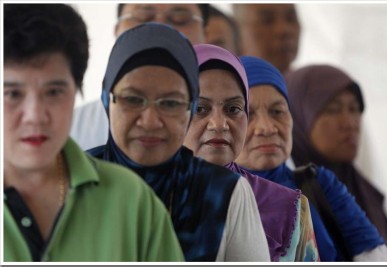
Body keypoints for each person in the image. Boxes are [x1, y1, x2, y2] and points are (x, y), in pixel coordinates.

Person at [3, 4, 184, 262]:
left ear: (77, 90)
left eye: (54, 92)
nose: (35, 115)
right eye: (12, 94)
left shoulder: (130, 199)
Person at [88, 23, 269, 262]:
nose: (150, 121)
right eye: (133, 99)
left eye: (170, 103)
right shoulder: (72, 179)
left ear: (189, 107)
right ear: (106, 99)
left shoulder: (223, 192)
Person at [234, 56, 387, 262]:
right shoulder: (207, 198)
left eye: (277, 111)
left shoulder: (318, 183)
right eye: (248, 113)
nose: (267, 127)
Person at [183, 44, 319, 262]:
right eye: (200, 108)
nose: (219, 124)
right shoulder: (143, 196)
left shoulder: (288, 207)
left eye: (233, 109)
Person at [285, 64, 387, 254]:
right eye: (333, 110)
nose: (350, 123)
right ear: (297, 116)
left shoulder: (368, 195)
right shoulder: (286, 200)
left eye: (354, 109)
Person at [70, 3, 210, 150]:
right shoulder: (71, 131)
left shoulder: (227, 131)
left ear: (206, 34)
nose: (159, 27)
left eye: (179, 19)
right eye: (142, 17)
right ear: (117, 30)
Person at [232, 4, 300, 74]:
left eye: (291, 18)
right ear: (235, 31)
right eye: (267, 20)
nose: (283, 30)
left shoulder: (307, 82)